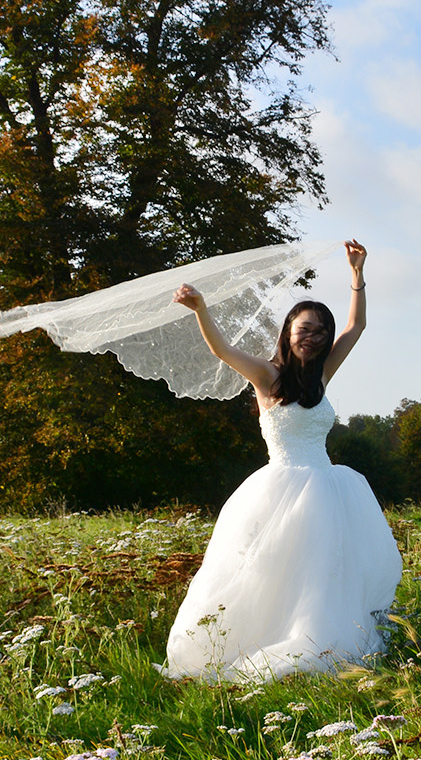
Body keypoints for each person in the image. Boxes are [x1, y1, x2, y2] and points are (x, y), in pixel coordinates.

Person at [162, 239, 402, 680]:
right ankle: (257, 647)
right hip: (279, 489)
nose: (314, 337)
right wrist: (200, 309)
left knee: (322, 575)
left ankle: (320, 645)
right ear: (288, 332)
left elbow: (357, 326)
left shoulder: (323, 375)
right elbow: (222, 351)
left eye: (320, 331)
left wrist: (356, 274)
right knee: (265, 574)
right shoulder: (267, 376)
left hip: (329, 489)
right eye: (305, 329)